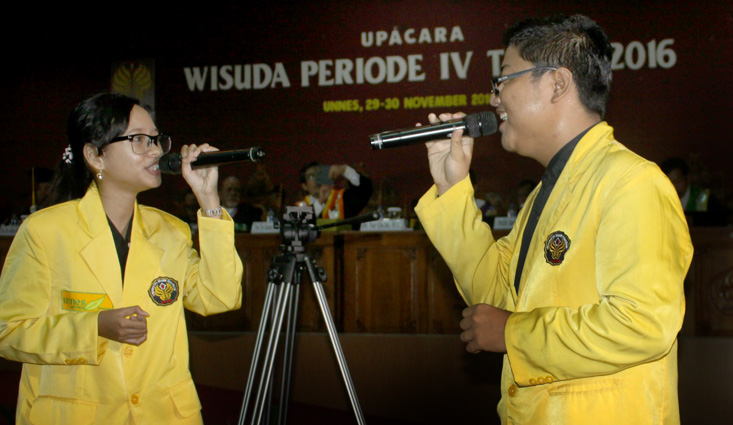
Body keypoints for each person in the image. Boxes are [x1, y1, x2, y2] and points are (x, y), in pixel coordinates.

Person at [414, 15, 692, 425]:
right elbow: (494, 295)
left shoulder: (631, 182)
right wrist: (451, 190)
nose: (494, 98)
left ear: (557, 83)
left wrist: (514, 334)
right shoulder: (547, 195)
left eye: (504, 79)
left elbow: (643, 323)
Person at [0, 93, 243, 424]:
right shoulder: (44, 232)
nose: (156, 150)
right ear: (95, 156)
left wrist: (209, 201)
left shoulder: (171, 231)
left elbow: (220, 297)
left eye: (156, 139)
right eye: (139, 140)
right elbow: (8, 330)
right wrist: (94, 327)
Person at [660, 157, 728, 226]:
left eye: (678, 181)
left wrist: (693, 221)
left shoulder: (704, 198)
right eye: (670, 182)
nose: (674, 185)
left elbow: (720, 221)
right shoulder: (660, 200)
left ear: (687, 178)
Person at [298, 161, 372, 219]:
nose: (316, 179)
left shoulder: (341, 198)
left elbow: (365, 191)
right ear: (304, 186)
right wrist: (320, 201)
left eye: (319, 174)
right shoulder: (301, 208)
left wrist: (344, 169)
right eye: (311, 177)